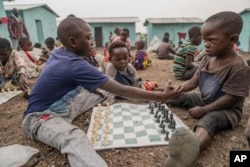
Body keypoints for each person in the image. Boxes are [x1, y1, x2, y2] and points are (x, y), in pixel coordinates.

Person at [21, 17, 181, 167]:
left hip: (65, 107)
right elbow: (121, 89)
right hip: (40, 118)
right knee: (74, 137)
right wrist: (163, 96)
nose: (92, 42)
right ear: (73, 42)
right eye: (89, 38)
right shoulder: (74, 65)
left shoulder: (60, 52)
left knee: (101, 93)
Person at [165, 11, 250, 167]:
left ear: (233, 39)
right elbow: (193, 81)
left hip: (227, 110)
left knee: (209, 121)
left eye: (211, 40)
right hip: (204, 99)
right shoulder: (207, 58)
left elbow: (230, 99)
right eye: (204, 40)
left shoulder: (239, 67)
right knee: (179, 97)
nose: (206, 44)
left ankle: (186, 153)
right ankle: (149, 97)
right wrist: (176, 89)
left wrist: (203, 110)